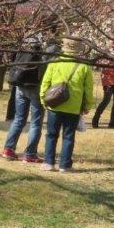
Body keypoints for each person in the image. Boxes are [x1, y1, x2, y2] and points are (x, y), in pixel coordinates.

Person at [39, 37, 95, 173]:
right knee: (69, 136)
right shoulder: (84, 66)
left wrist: (43, 99)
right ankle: (65, 165)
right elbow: (88, 89)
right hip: (74, 106)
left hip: (55, 104)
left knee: (51, 134)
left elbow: (46, 82)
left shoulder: (56, 62)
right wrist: (88, 105)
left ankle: (48, 162)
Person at [1, 36, 46, 161]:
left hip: (20, 88)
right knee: (36, 123)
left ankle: (8, 149)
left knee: (19, 119)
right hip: (35, 89)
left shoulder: (21, 52)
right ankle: (30, 154)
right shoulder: (41, 55)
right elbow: (43, 73)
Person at [91, 57, 114, 129]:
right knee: (106, 101)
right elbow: (102, 66)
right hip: (109, 82)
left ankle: (112, 122)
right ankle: (95, 120)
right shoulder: (105, 54)